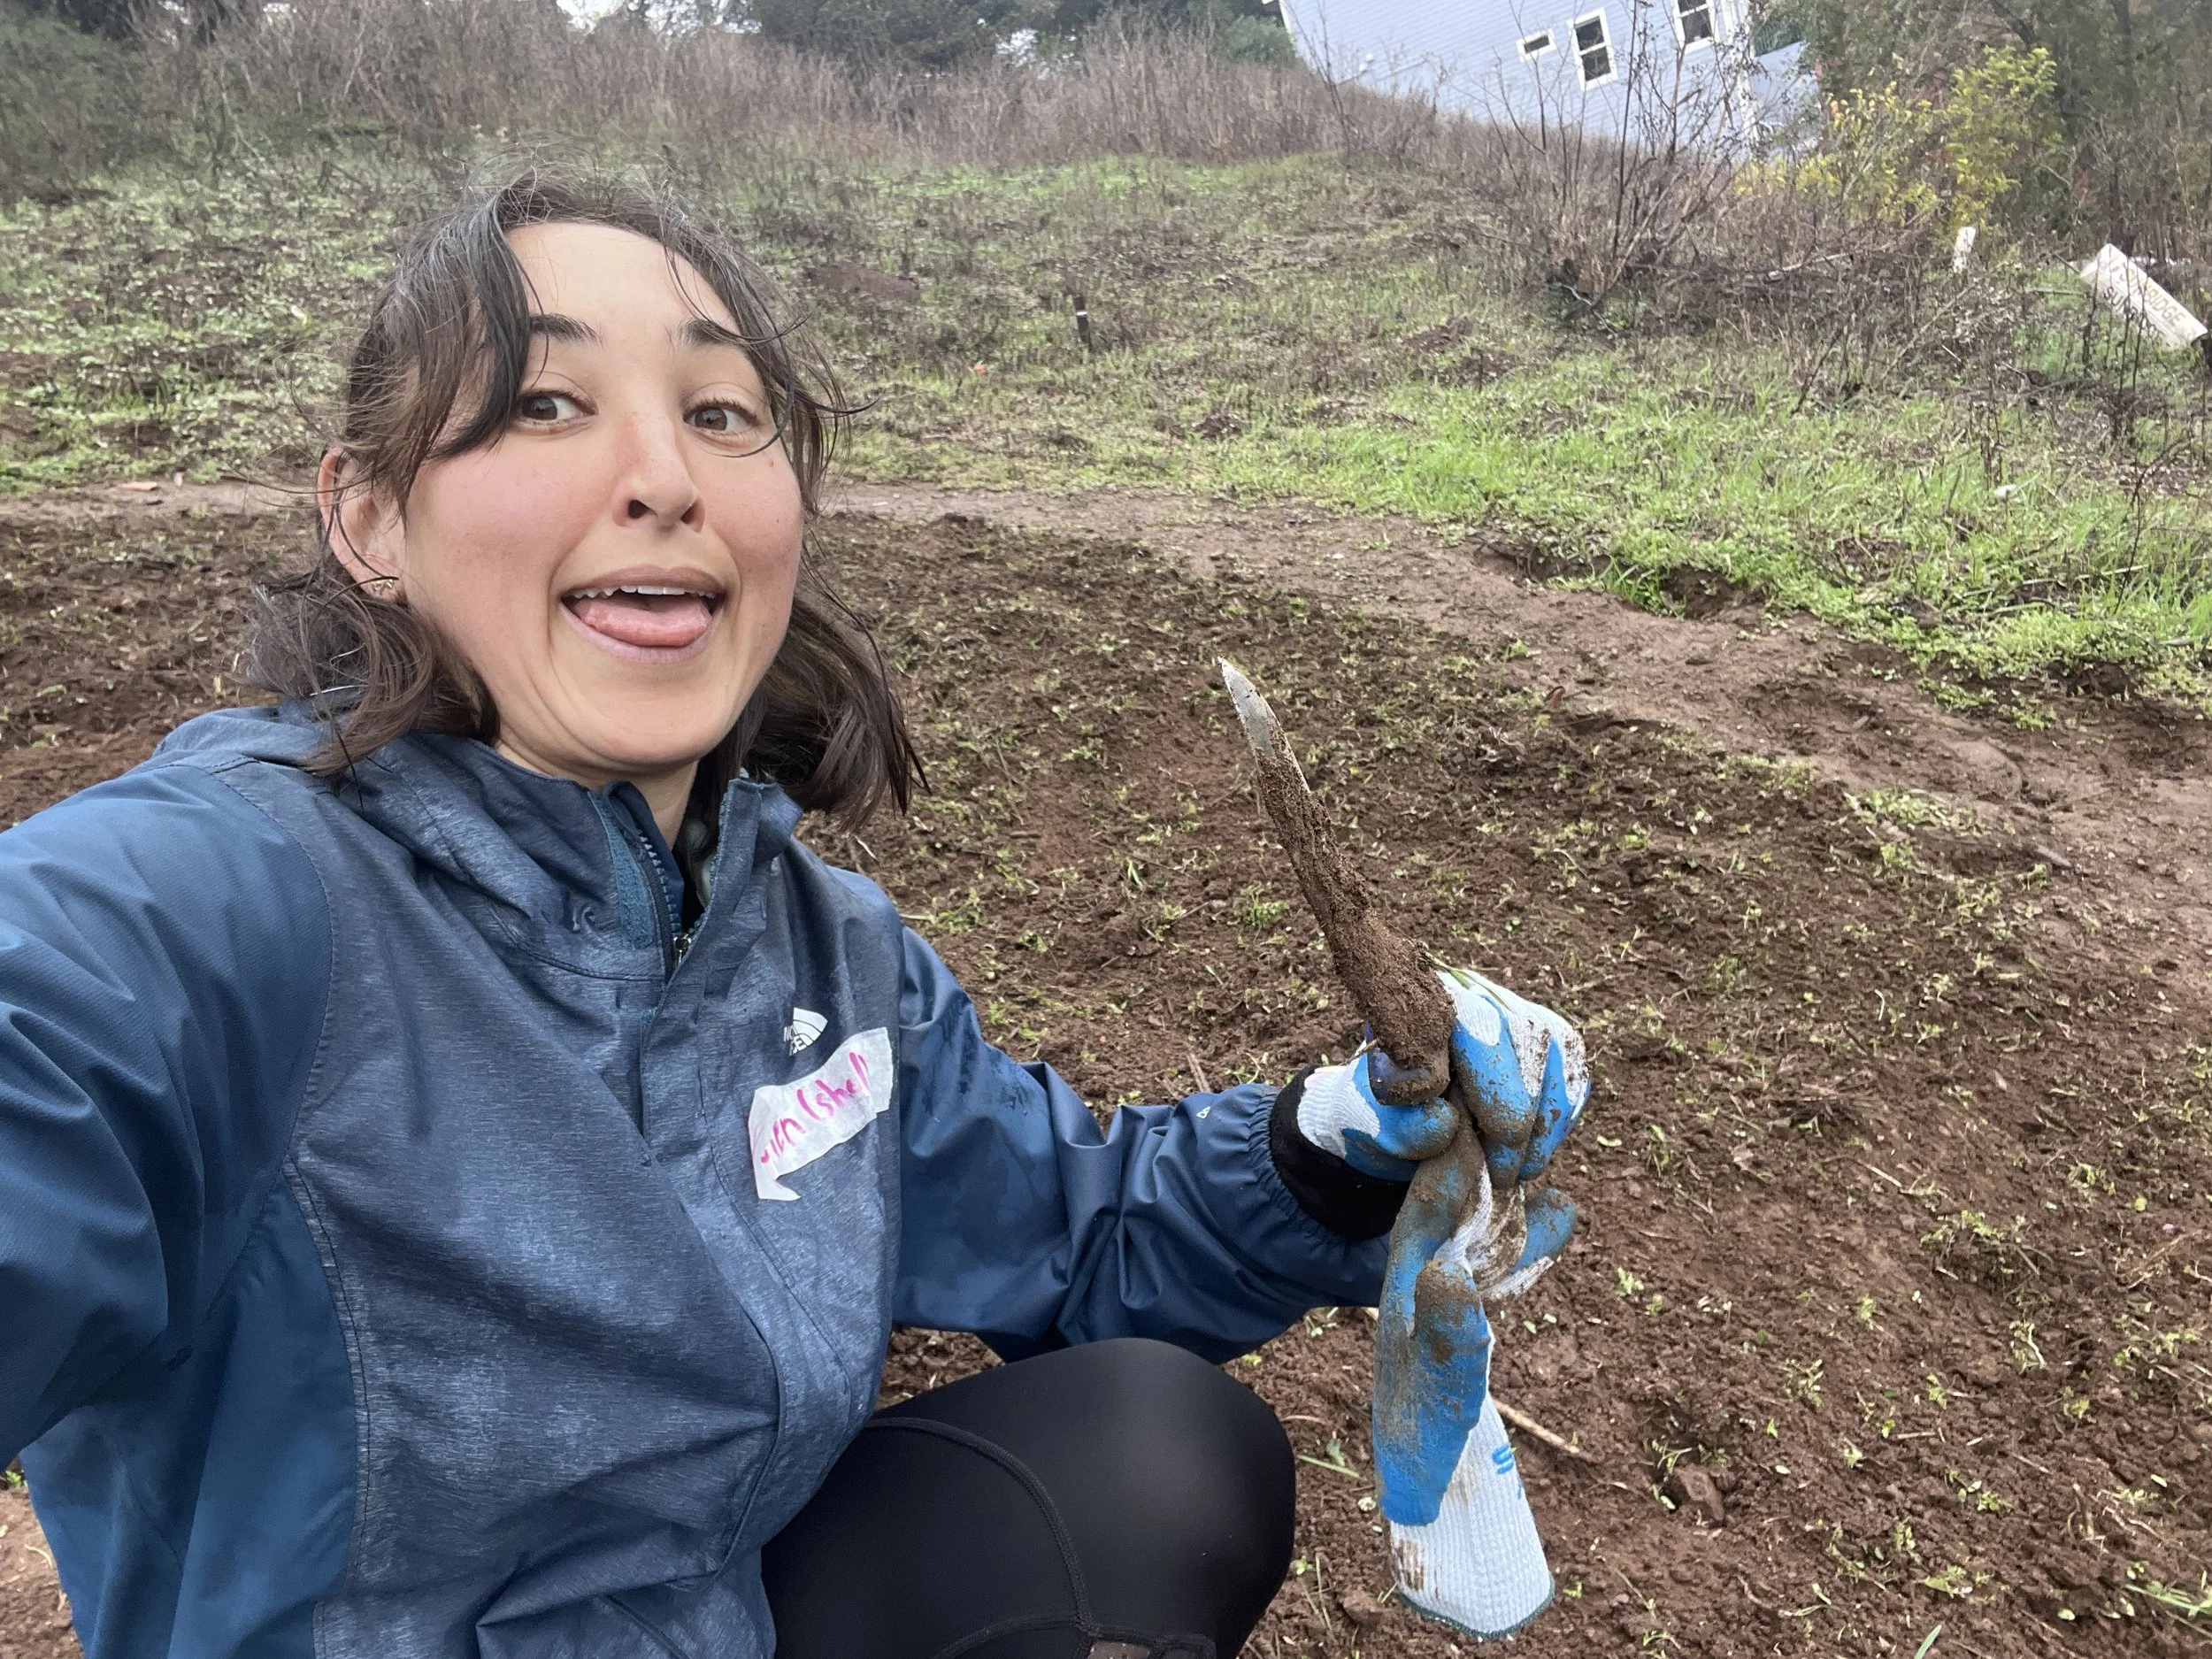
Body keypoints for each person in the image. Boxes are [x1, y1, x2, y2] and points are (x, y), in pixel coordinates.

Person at [0, 173, 1587, 1659]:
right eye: (545, 402)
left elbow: (1081, 1225)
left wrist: (1330, 1139)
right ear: (366, 519)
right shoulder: (210, 908)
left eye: (720, 412)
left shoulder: (820, 950)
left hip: (717, 1616)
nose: (664, 478)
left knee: (1161, 1456)